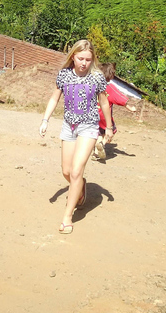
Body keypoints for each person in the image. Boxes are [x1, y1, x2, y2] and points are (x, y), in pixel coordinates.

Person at [39, 39, 112, 234]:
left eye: (88, 59)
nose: (84, 63)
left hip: (88, 127)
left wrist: (109, 127)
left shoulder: (97, 77)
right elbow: (55, 97)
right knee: (66, 171)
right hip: (68, 126)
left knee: (76, 171)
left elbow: (104, 103)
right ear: (73, 57)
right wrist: (45, 119)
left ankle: (67, 216)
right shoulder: (64, 75)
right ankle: (80, 187)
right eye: (80, 58)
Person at [93, 62, 137, 161]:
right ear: (111, 75)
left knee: (100, 132)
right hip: (105, 116)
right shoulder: (110, 88)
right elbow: (121, 100)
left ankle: (96, 153)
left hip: (94, 113)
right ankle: (102, 144)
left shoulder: (94, 85)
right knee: (110, 131)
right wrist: (131, 108)